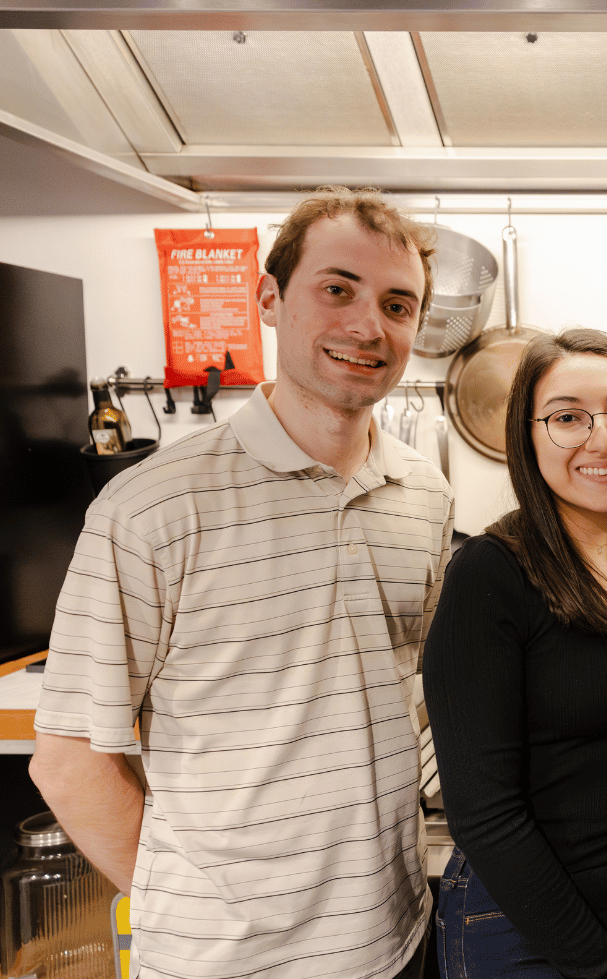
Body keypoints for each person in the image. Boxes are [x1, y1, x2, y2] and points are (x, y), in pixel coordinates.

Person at [30, 187, 452, 979]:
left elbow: (400, 693)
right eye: (337, 289)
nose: (369, 326)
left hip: (396, 942)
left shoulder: (424, 495)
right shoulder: (151, 505)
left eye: (397, 304)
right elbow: (69, 760)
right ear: (269, 297)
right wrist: (194, 905)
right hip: (223, 963)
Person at [423, 329, 607, 979]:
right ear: (528, 437)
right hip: (521, 926)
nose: (601, 438)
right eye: (568, 417)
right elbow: (484, 814)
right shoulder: (489, 576)